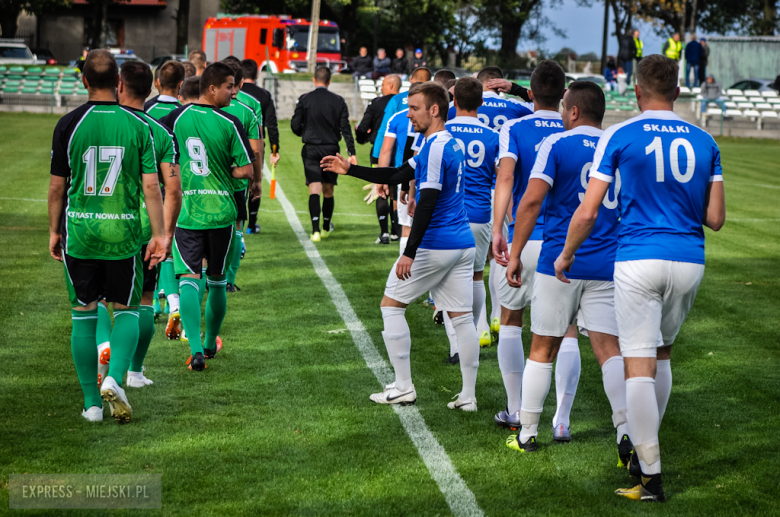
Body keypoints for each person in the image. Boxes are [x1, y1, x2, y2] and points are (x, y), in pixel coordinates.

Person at [555, 54, 725, 502]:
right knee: (662, 354)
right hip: (688, 258)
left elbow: (589, 210)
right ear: (677, 90)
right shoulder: (706, 139)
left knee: (638, 363)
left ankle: (648, 473)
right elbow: (716, 218)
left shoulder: (619, 134)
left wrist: (566, 255)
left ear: (635, 91)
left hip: (637, 259)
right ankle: (645, 455)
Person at [321, 82, 480, 411]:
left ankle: (404, 387)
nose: (409, 115)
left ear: (434, 110)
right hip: (463, 243)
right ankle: (468, 396)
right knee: (463, 319)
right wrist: (351, 169)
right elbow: (396, 174)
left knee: (391, 306)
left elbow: (427, 203)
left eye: (414, 108)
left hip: (438, 243)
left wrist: (408, 252)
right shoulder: (442, 143)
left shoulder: (435, 147)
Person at [504, 81, 631, 465]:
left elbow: (530, 201)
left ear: (573, 111)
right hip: (607, 262)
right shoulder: (618, 145)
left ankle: (526, 433)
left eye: (564, 109)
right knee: (609, 351)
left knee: (543, 347)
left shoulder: (556, 144)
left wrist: (514, 254)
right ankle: (625, 429)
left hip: (560, 261)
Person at [48, 49, 165, 423]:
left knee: (82, 315)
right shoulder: (139, 125)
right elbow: (152, 187)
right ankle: (114, 376)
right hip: (124, 234)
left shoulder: (68, 124)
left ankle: (91, 406)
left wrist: (54, 230)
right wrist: (160, 233)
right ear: (118, 82)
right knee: (127, 308)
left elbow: (56, 188)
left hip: (80, 233)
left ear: (84, 80)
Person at [159, 62, 257, 372]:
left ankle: (196, 349)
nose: (233, 91)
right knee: (216, 281)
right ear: (211, 88)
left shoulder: (173, 120)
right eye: (229, 86)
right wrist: (226, 171)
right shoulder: (229, 122)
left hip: (188, 212)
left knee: (188, 278)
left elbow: (163, 159)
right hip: (222, 214)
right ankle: (211, 341)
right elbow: (247, 171)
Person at [492, 60, 566, 431]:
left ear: (531, 93)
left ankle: (516, 409)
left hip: (526, 237)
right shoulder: (574, 128)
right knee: (566, 331)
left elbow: (506, 176)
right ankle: (562, 420)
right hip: (564, 243)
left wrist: (498, 228)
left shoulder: (515, 127)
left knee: (511, 320)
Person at [446, 66, 533, 347]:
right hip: (498, 182)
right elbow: (543, 111)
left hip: (459, 190)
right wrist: (517, 90)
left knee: (454, 273)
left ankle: (475, 328)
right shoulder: (513, 109)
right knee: (496, 257)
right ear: (498, 85)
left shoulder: (450, 115)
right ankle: (496, 315)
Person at [117, 61, 182, 387]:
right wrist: (166, 233)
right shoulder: (161, 132)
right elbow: (172, 189)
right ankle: (135, 372)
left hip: (106, 225)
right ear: (151, 87)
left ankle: (105, 353)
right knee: (143, 300)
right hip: (146, 225)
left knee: (101, 301)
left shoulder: (100, 124)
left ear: (120, 85)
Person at [445, 77, 501, 357]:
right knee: (477, 275)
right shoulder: (493, 136)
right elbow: (501, 178)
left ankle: (456, 345)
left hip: (447, 214)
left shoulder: (440, 129)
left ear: (453, 101)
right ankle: (475, 332)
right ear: (481, 103)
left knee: (445, 279)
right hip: (480, 213)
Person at [291, 66, 357, 242]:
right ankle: (326, 227)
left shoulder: (304, 99)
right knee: (328, 190)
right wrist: (352, 152)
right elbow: (345, 128)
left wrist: (305, 132)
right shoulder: (338, 100)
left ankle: (315, 231)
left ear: (314, 80)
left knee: (314, 187)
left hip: (311, 148)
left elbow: (295, 126)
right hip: (330, 149)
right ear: (329, 81)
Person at [220, 57, 264, 293]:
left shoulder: (206, 105)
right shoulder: (248, 108)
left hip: (208, 179)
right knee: (237, 226)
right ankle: (229, 280)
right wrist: (256, 179)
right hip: (237, 180)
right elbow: (256, 148)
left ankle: (205, 277)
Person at [355, 74, 402, 244]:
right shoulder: (405, 102)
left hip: (380, 151)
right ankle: (397, 231)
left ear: (390, 85)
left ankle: (384, 233)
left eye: (382, 84)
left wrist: (361, 138)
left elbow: (363, 127)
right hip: (400, 153)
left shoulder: (376, 103)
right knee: (396, 191)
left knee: (380, 189)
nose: (380, 88)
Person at [240, 58, 280, 234]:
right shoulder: (264, 94)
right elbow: (272, 125)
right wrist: (274, 150)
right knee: (256, 180)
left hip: (234, 142)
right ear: (257, 74)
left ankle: (238, 223)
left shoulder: (232, 92)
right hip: (256, 142)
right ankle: (251, 224)